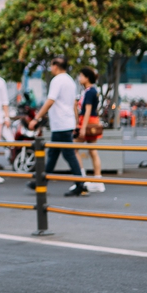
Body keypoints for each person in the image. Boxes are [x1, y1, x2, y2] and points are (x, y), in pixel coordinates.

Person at [28, 56, 86, 197]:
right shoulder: (70, 81)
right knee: (54, 155)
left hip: (60, 123)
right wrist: (76, 122)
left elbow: (50, 101)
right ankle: (40, 181)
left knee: (68, 155)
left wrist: (36, 118)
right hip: (66, 122)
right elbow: (74, 104)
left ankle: (80, 184)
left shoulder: (57, 80)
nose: (50, 68)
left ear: (56, 66)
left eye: (51, 65)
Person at [75, 67, 105, 193]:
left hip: (88, 122)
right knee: (93, 151)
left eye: (81, 76)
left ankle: (83, 179)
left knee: (74, 148)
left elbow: (87, 110)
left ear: (87, 78)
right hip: (92, 121)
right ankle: (97, 181)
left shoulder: (89, 92)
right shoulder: (92, 91)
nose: (79, 78)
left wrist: (82, 127)